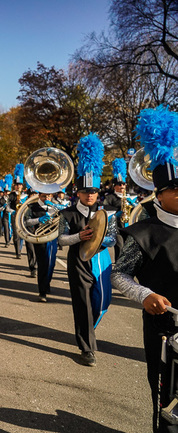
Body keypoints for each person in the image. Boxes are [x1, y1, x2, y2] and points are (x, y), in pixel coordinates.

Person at [111, 106, 178, 433]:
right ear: (160, 194)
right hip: (165, 330)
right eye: (177, 189)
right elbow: (118, 274)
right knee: (167, 406)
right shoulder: (143, 232)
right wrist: (145, 294)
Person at [58, 134, 117, 367]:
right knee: (82, 303)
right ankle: (87, 347)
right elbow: (61, 240)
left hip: (101, 261)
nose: (90, 195)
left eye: (93, 191)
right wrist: (78, 237)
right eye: (85, 191)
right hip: (78, 262)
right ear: (78, 192)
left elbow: (113, 239)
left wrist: (102, 238)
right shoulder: (67, 214)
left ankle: (86, 330)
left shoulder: (107, 213)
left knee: (102, 303)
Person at [22, 192, 59, 302]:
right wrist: (38, 220)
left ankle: (46, 283)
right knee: (43, 264)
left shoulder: (55, 206)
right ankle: (42, 292)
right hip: (39, 238)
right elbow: (26, 222)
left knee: (51, 264)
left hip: (53, 238)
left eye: (49, 196)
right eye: (44, 196)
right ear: (39, 196)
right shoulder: (32, 207)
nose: (46, 198)